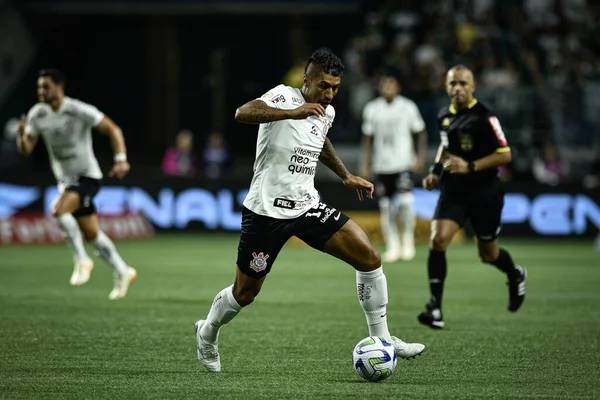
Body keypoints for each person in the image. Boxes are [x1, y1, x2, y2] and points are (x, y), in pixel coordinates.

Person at [193, 49, 425, 372]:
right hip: (267, 212)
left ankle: (383, 340)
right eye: (324, 86)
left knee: (369, 257)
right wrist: (293, 112)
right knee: (244, 293)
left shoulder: (324, 112)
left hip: (307, 205)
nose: (329, 94)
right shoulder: (284, 97)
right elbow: (243, 113)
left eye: (335, 88)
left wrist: (345, 175)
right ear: (307, 80)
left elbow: (320, 142)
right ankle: (207, 332)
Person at [417, 65, 527, 329]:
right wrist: (435, 171)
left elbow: (505, 154)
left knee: (488, 255)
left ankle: (515, 275)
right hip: (455, 190)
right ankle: (435, 308)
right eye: (453, 83)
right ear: (446, 87)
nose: (457, 88)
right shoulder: (444, 115)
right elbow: (445, 144)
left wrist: (471, 166)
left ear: (473, 87)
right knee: (438, 239)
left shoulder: (485, 117)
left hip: (485, 191)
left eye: (463, 83)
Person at [17, 69, 137, 300]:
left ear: (59, 87)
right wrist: (22, 137)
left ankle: (82, 260)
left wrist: (121, 160)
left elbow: (113, 129)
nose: (41, 91)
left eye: (46, 86)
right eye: (39, 87)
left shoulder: (77, 109)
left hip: (87, 175)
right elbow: (26, 150)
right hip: (65, 181)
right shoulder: (37, 114)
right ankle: (123, 271)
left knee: (58, 210)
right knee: (92, 233)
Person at [360, 75, 428, 262]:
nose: (388, 88)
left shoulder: (408, 106)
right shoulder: (372, 108)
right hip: (381, 164)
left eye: (392, 84)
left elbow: (420, 132)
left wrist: (420, 157)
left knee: (406, 202)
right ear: (380, 88)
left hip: (404, 162)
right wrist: (365, 164)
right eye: (385, 85)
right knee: (386, 206)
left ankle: (408, 242)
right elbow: (368, 138)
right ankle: (392, 245)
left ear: (398, 87)